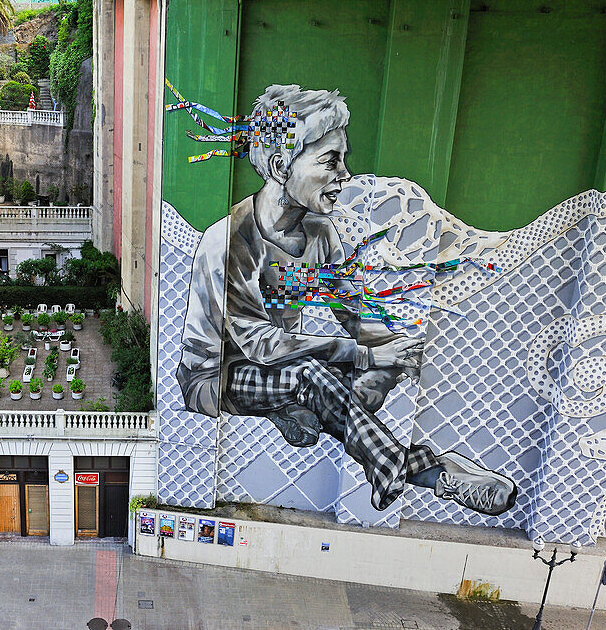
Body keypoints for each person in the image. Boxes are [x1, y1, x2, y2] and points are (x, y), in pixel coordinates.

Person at [176, 84, 516, 516]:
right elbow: (264, 345)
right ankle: (425, 470)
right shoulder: (228, 242)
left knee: (350, 375)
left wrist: (389, 356)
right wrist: (364, 356)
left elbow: (356, 315)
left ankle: (298, 411)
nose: (345, 176)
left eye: (344, 159)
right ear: (282, 166)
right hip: (215, 376)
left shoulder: (320, 234)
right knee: (309, 374)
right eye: (330, 161)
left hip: (280, 363)